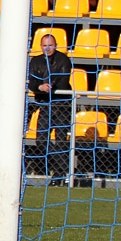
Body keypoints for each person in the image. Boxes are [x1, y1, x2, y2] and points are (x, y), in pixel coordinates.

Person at [28, 34, 73, 186]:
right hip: (45, 105)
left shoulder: (64, 60)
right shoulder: (36, 61)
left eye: (50, 45)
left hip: (62, 105)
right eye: (44, 45)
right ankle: (64, 169)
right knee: (41, 140)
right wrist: (39, 87)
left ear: (56, 45)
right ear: (40, 46)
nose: (47, 48)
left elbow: (63, 81)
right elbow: (31, 81)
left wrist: (50, 87)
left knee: (60, 142)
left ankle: (59, 176)